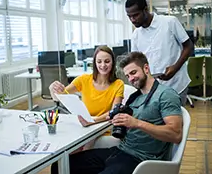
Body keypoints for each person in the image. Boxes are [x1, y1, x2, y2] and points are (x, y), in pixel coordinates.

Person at [51, 52, 183, 174]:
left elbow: (175, 134)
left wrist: (137, 123)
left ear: (146, 69)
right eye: (128, 76)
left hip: (140, 160)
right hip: (119, 151)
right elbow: (116, 115)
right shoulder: (135, 97)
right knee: (61, 165)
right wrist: (93, 121)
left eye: (133, 72)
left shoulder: (165, 95)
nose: (131, 79)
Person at [125, 0, 193, 106]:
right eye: (129, 16)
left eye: (136, 15)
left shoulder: (170, 22)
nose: (133, 20)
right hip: (152, 90)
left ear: (145, 10)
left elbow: (188, 46)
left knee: (175, 121)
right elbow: (136, 62)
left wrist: (175, 68)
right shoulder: (136, 35)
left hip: (176, 83)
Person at [49, 45, 124, 128]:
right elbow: (60, 97)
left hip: (104, 125)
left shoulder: (118, 84)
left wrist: (92, 122)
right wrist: (53, 89)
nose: (103, 65)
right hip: (85, 124)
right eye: (99, 61)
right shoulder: (83, 79)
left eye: (107, 61)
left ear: (113, 62)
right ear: (95, 63)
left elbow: (114, 112)